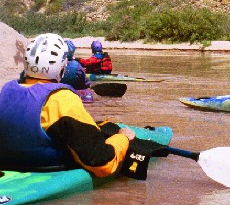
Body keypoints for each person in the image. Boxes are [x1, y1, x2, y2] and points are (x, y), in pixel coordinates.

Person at [0, 33, 135, 175]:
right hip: (45, 166)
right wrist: (123, 137)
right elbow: (101, 162)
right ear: (62, 67)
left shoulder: (6, 90)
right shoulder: (62, 99)